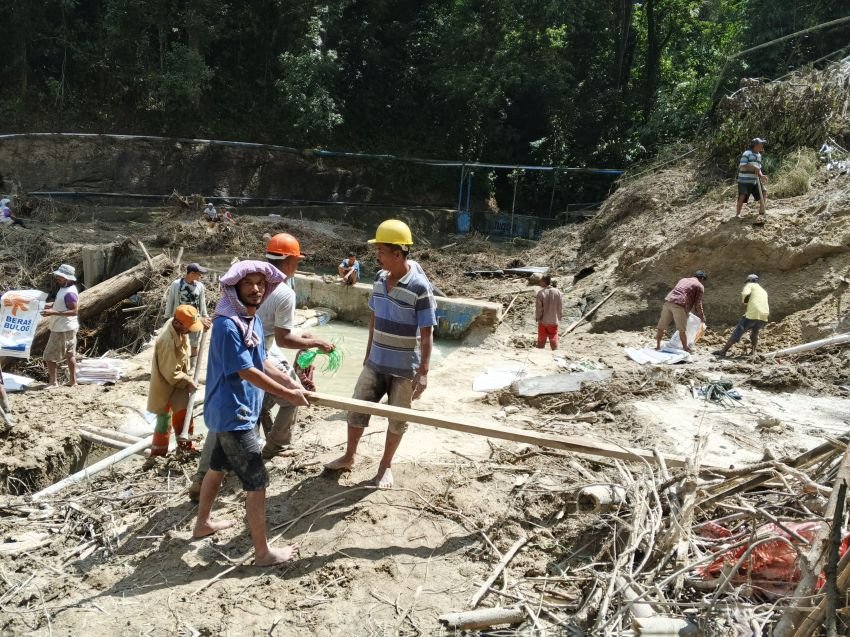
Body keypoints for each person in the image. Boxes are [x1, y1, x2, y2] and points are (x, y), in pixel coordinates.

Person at [192, 260, 309, 566]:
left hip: (231, 411)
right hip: (234, 415)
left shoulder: (251, 320)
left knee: (217, 467)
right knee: (257, 481)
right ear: (234, 288)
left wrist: (291, 383)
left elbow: (262, 362)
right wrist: (287, 395)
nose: (256, 289)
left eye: (260, 283)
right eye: (248, 284)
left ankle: (202, 523)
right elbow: (246, 372)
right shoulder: (227, 325)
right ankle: (262, 552)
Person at [325, 219, 437, 488]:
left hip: (403, 369)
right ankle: (349, 456)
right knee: (356, 408)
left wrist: (423, 373)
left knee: (397, 420)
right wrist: (367, 354)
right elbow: (374, 317)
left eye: (381, 251)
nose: (377, 257)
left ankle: (385, 467)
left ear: (397, 254)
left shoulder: (420, 288)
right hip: (375, 362)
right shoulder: (378, 278)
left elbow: (427, 333)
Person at [258, 233, 334, 458]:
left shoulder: (253, 282)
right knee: (294, 395)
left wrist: (304, 337)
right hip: (262, 351)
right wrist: (315, 342)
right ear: (290, 261)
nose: (297, 266)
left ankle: (267, 436)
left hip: (244, 347)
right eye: (297, 261)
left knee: (263, 398)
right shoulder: (284, 293)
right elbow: (284, 339)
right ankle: (277, 445)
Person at [148, 305, 203, 456]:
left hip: (178, 384)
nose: (190, 330)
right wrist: (189, 380)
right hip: (166, 385)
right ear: (178, 323)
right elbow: (170, 373)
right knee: (164, 422)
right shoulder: (167, 341)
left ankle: (185, 448)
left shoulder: (177, 325)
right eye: (188, 327)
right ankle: (158, 455)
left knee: (184, 414)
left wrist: (202, 323)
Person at [41, 264, 80, 387]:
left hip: (62, 328)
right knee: (70, 354)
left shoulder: (69, 293)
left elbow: (74, 311)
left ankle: (53, 382)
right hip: (68, 327)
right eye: (57, 276)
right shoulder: (65, 289)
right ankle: (73, 381)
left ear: (67, 278)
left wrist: (53, 312)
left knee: (49, 356)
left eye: (60, 277)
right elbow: (62, 303)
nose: (57, 278)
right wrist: (50, 305)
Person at [163, 263, 211, 362]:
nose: (200, 276)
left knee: (194, 343)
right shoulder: (176, 284)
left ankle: (193, 366)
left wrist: (205, 317)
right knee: (178, 342)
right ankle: (178, 364)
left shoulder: (200, 286)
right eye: (199, 274)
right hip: (180, 319)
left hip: (195, 319)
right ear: (191, 273)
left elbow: (202, 303)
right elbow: (170, 300)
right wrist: (167, 316)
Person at [714, 274, 770, 357]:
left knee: (738, 332)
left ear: (749, 281)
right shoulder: (763, 290)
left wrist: (745, 301)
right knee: (755, 333)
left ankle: (723, 351)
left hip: (753, 313)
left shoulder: (749, 285)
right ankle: (753, 352)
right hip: (764, 314)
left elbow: (745, 294)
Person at [656, 271, 707, 352]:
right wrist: (702, 316)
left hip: (668, 301)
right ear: (702, 278)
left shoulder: (683, 280)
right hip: (679, 305)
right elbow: (698, 303)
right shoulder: (699, 286)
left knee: (661, 327)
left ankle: (658, 346)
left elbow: (680, 291)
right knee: (682, 330)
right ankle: (685, 348)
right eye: (703, 280)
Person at [735, 138, 768, 218]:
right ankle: (738, 214)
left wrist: (761, 175)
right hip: (744, 180)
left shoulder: (759, 155)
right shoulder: (747, 153)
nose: (762, 146)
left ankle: (762, 210)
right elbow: (743, 165)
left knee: (764, 191)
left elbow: (758, 168)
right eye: (761, 145)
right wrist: (754, 167)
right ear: (756, 146)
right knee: (742, 196)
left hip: (754, 180)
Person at [535, 275, 562, 350]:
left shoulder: (541, 293)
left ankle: (540, 350)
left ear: (544, 282)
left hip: (543, 320)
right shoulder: (558, 292)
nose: (540, 283)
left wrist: (538, 317)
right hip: (554, 319)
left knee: (542, 336)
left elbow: (539, 308)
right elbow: (560, 306)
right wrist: (559, 317)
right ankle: (554, 350)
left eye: (541, 281)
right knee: (553, 335)